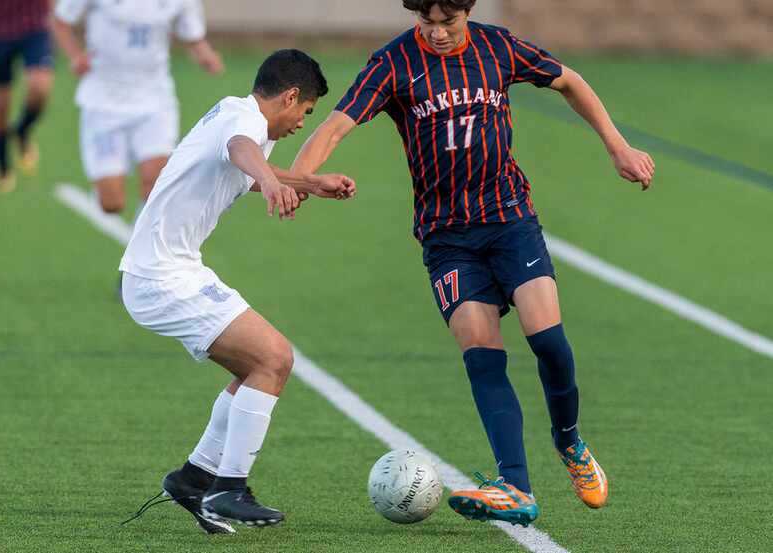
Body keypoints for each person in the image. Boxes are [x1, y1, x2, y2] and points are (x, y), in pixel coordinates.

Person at [292, 0, 655, 527]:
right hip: (447, 238)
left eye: (448, 22)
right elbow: (333, 127)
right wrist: (300, 181)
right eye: (427, 23)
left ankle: (569, 441)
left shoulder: (498, 47)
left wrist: (617, 146)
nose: (437, 34)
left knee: (547, 341)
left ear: (467, 12)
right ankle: (516, 487)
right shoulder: (393, 63)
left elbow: (571, 81)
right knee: (483, 357)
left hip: (509, 219)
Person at [119, 50, 356, 534]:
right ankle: (229, 488)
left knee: (257, 369)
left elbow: (242, 168)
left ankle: (193, 479)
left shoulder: (241, 121)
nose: (300, 123)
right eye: (305, 112)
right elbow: (241, 153)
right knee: (275, 359)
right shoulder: (240, 119)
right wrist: (270, 180)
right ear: (291, 96)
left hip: (176, 271)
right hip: (161, 277)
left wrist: (310, 182)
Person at [51, 0, 224, 217]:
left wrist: (205, 55)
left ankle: (143, 247)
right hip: (104, 101)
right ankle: (107, 186)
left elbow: (192, 35)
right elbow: (61, 20)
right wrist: (76, 57)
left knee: (156, 186)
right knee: (111, 203)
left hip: (154, 100)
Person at [0, 0, 54, 193]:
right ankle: (3, 167)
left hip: (34, 25)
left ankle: (21, 130)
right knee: (1, 105)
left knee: (39, 88)